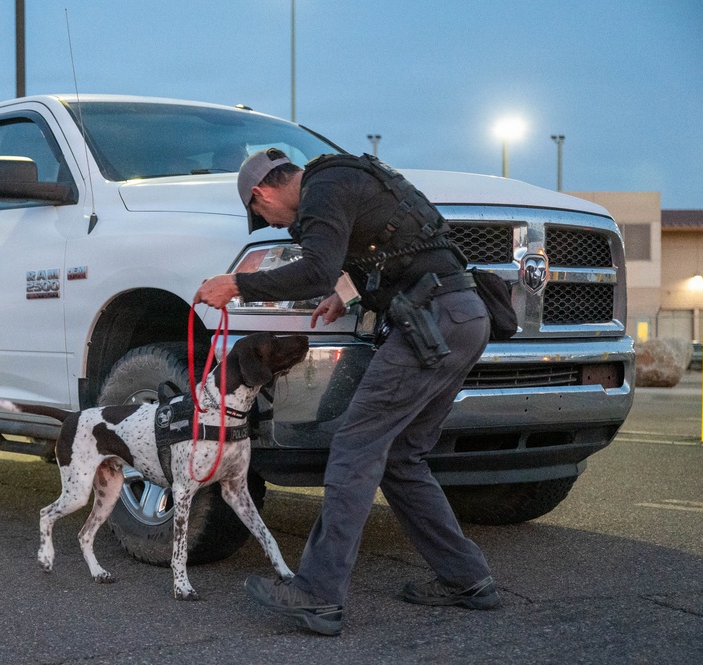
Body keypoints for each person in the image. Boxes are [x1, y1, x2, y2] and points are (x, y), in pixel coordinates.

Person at [193, 148, 499, 636]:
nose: (273, 223)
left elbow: (315, 268)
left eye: (264, 216)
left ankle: (317, 593)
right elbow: (398, 242)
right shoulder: (350, 176)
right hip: (464, 315)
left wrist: (237, 283)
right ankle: (467, 579)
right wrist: (349, 293)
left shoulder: (324, 187)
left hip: (433, 322)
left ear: (262, 192)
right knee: (402, 456)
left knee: (356, 447)